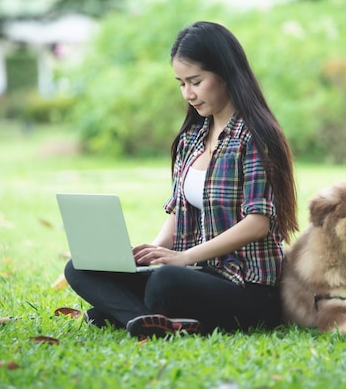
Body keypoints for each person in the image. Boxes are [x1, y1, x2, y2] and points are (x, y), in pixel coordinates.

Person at [64, 21, 298, 340]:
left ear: (226, 74)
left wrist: (184, 258)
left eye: (196, 82)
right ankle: (144, 318)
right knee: (80, 268)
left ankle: (127, 311)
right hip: (192, 274)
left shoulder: (255, 137)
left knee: (166, 283)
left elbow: (258, 223)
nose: (188, 94)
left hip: (246, 287)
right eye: (181, 83)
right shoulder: (192, 139)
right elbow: (180, 212)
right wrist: (154, 251)